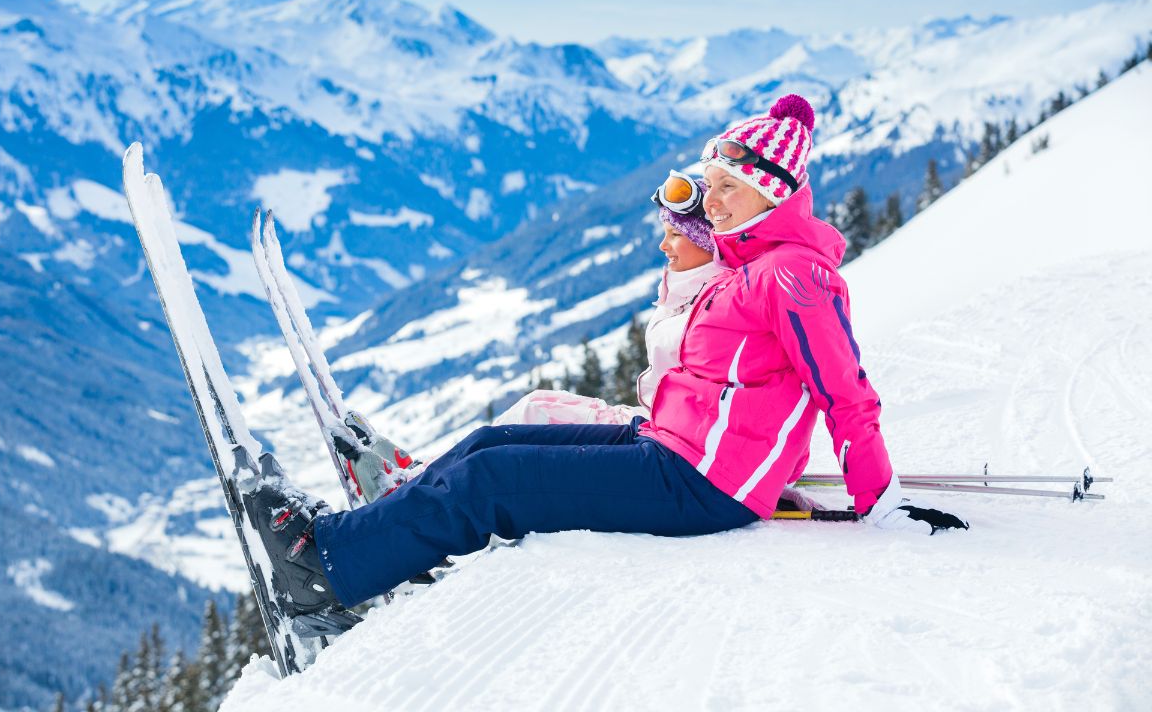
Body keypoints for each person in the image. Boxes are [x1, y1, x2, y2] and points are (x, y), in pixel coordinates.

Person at [246, 94, 969, 627]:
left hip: (699, 485)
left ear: (771, 193)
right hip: (668, 449)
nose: (711, 204)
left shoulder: (793, 275)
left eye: (727, 188)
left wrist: (882, 503)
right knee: (491, 443)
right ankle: (382, 535)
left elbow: (847, 396)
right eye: (709, 185)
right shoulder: (751, 267)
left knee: (495, 482)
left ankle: (327, 566)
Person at [495, 171, 722, 426]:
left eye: (676, 235)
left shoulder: (716, 304)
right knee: (534, 407)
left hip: (664, 434)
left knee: (529, 423)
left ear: (706, 240)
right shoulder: (686, 293)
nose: (663, 245)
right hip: (653, 422)